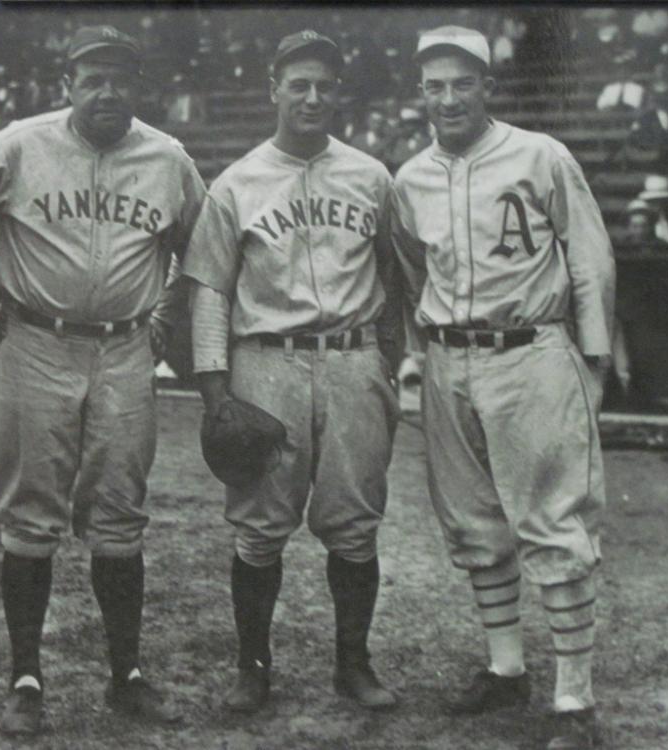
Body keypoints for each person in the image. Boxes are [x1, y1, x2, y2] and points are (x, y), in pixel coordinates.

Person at [0, 25, 206, 737]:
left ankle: (125, 673)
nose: (107, 92)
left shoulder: (167, 157)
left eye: (121, 79)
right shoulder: (19, 144)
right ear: (68, 84)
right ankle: (25, 678)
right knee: (31, 514)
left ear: (139, 88)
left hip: (125, 349)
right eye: (92, 78)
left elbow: (204, 248)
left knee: (121, 510)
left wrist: (172, 304)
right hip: (34, 342)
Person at [391, 27, 615, 750]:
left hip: (530, 350)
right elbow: (411, 275)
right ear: (421, 92)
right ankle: (505, 668)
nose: (449, 97)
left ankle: (574, 702)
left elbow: (590, 258)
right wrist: (419, 359)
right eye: (435, 85)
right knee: (473, 525)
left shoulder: (540, 154)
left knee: (553, 522)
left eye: (463, 83)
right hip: (450, 358)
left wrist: (595, 359)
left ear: (488, 86)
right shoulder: (410, 177)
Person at [183, 29, 404, 714]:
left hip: (352, 358)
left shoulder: (372, 176)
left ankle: (353, 665)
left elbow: (396, 281)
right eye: (299, 83)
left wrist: (386, 366)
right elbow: (211, 290)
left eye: (325, 85)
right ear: (273, 88)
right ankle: (253, 669)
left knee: (355, 524)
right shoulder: (238, 182)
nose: (312, 96)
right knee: (259, 526)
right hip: (266, 362)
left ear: (338, 92)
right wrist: (217, 390)